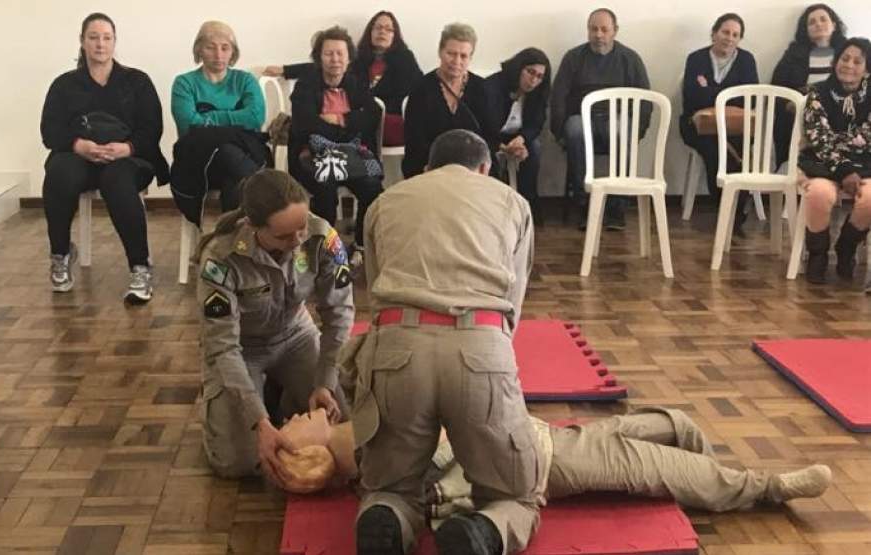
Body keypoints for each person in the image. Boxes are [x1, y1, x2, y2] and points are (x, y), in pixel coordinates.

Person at [352, 129, 537, 555]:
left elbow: (376, 293)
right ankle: (485, 530)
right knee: (515, 495)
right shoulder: (512, 201)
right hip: (481, 347)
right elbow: (515, 297)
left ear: (427, 168)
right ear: (486, 169)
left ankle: (388, 514)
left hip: (398, 349)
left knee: (389, 486)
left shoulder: (385, 201)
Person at [275, 408, 834, 521]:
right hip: (542, 459)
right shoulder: (369, 459)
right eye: (290, 427)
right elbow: (445, 463)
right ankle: (767, 487)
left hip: (535, 432)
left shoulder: (353, 433)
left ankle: (691, 440)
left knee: (674, 424)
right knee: (651, 466)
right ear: (308, 452)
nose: (293, 416)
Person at [195, 169, 354, 481]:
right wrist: (259, 422)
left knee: (341, 427)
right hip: (243, 348)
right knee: (238, 463)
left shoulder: (323, 237)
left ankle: (284, 395)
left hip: (296, 334)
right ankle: (238, 408)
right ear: (254, 227)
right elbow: (223, 347)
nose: (297, 240)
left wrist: (324, 381)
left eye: (301, 227)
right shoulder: (220, 258)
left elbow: (339, 316)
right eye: (283, 236)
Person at [40, 12, 169, 304]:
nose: (100, 44)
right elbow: (50, 131)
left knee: (117, 179)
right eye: (93, 37)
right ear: (82, 42)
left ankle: (140, 267)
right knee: (60, 172)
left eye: (106, 37)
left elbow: (152, 129)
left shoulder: (137, 81)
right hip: (80, 156)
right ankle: (60, 254)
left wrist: (128, 148)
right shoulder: (64, 85)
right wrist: (77, 145)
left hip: (128, 158)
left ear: (115, 42)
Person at [288, 25, 383, 262]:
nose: (335, 59)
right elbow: (304, 123)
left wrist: (340, 119)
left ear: (349, 57)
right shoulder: (306, 85)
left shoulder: (356, 84)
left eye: (340, 53)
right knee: (325, 186)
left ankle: (361, 245)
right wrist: (347, 128)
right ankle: (327, 248)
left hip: (351, 158)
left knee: (372, 187)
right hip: (311, 156)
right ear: (319, 57)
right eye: (329, 53)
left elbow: (372, 115)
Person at [550, 8, 651, 230]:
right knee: (575, 129)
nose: (598, 34)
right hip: (581, 119)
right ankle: (585, 203)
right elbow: (558, 96)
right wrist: (558, 132)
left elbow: (645, 99)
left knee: (621, 129)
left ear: (615, 31)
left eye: (604, 29)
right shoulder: (573, 58)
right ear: (588, 30)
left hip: (616, 119)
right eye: (593, 29)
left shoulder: (630, 59)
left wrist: (638, 131)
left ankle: (616, 207)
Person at [264, 11, 423, 147]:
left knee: (372, 122)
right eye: (378, 27)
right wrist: (285, 70)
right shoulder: (359, 58)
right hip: (356, 121)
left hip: (389, 116)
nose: (382, 32)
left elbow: (419, 90)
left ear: (395, 36)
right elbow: (324, 66)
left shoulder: (405, 59)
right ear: (370, 32)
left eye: (389, 29)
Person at [170, 21, 268, 225]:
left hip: (244, 155)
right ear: (199, 50)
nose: (219, 54)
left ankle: (228, 244)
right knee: (226, 151)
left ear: (233, 52)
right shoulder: (184, 83)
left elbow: (255, 117)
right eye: (210, 47)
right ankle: (265, 200)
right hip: (200, 164)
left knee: (231, 175)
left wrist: (209, 119)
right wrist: (235, 123)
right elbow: (188, 124)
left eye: (225, 48)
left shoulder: (245, 80)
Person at [798, 38, 871, 284]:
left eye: (857, 61)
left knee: (870, 197)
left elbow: (867, 138)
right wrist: (844, 168)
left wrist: (846, 146)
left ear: (867, 69)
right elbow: (820, 140)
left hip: (864, 166)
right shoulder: (816, 92)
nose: (848, 65)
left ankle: (846, 247)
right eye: (844, 58)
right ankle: (818, 253)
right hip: (822, 164)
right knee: (819, 193)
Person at [680, 13, 758, 235]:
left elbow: (749, 99)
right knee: (715, 152)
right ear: (714, 33)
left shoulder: (746, 60)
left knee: (740, 154)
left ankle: (736, 211)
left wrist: (710, 91)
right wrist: (725, 96)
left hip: (737, 127)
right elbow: (692, 98)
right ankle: (725, 210)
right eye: (725, 32)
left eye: (735, 34)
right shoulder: (695, 59)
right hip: (700, 127)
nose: (729, 38)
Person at [402, 23, 496, 179]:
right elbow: (414, 141)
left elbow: (490, 137)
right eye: (451, 53)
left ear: (471, 57)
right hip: (429, 167)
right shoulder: (421, 88)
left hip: (473, 169)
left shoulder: (482, 88)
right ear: (440, 52)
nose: (456, 61)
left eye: (464, 56)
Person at [772, 4, 848, 169]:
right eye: (812, 22)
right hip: (802, 115)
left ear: (834, 24)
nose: (818, 24)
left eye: (823, 19)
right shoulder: (794, 53)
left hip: (843, 114)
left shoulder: (849, 51)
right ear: (805, 29)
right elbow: (776, 88)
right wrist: (791, 103)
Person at [485, 48, 552, 225]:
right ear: (519, 67)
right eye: (530, 72)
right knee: (486, 153)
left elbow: (536, 123)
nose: (534, 80)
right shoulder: (493, 86)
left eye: (539, 76)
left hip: (517, 136)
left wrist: (521, 140)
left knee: (535, 148)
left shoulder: (537, 93)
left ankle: (526, 203)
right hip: (491, 136)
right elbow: (483, 124)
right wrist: (502, 147)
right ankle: (496, 208)